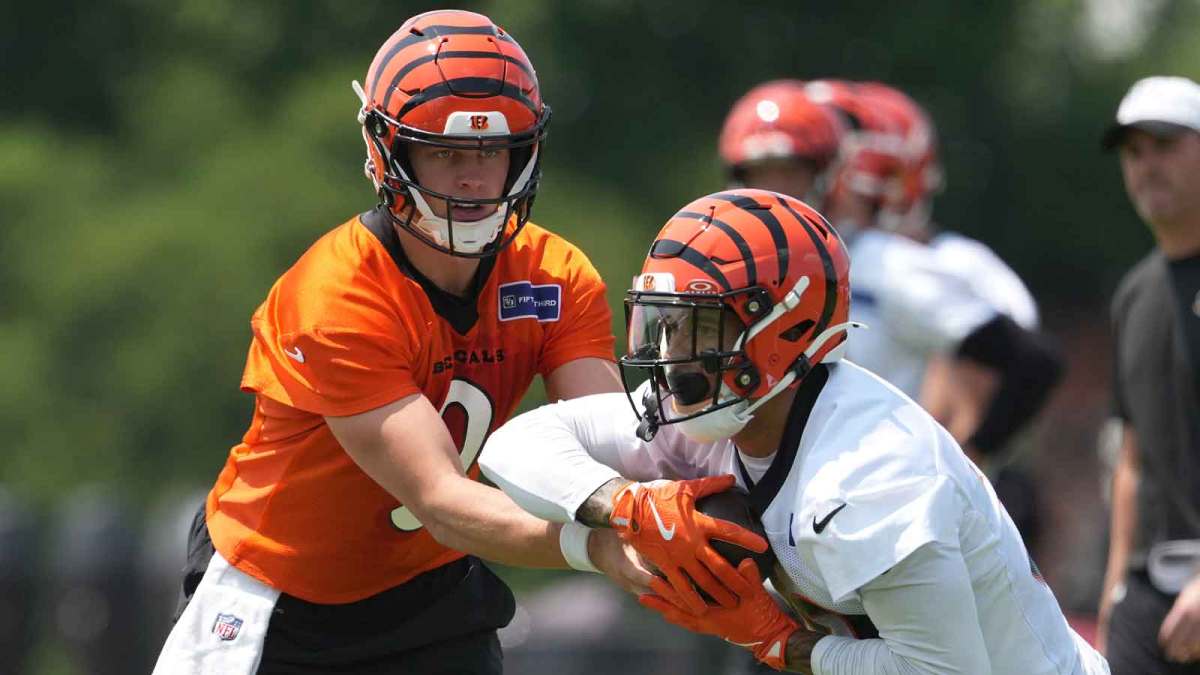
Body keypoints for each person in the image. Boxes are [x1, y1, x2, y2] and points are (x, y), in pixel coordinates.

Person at [153, 10, 651, 673]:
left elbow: (609, 446)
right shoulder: (336, 291)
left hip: (433, 599)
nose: (472, 179)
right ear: (386, 150)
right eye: (444, 153)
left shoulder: (555, 277)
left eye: (489, 152)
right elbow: (441, 501)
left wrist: (675, 509)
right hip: (281, 600)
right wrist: (601, 545)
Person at [479, 188, 1109, 673]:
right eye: (664, 326)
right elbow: (513, 447)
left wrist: (780, 642)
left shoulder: (868, 471)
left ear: (783, 331)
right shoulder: (719, 411)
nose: (670, 356)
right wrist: (625, 505)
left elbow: (942, 669)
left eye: (697, 329)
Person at [721, 78, 1061, 466]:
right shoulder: (732, 272)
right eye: (759, 173)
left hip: (874, 500)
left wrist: (963, 462)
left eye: (789, 172)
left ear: (829, 174)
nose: (774, 192)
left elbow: (1032, 361)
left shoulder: (882, 264)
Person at [1096, 75, 1200, 674]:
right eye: (1133, 152)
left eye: (1165, 144)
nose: (1146, 165)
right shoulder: (1134, 294)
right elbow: (1132, 458)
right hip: (1146, 595)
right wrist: (1114, 593)